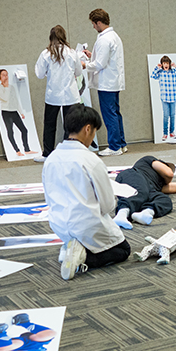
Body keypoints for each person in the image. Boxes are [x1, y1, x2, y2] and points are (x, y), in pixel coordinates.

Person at [42, 105, 130, 280]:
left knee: (82, 235)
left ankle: (69, 248)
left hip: (59, 224)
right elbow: (107, 205)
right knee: (123, 250)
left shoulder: (50, 159)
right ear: (88, 129)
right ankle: (84, 256)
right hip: (86, 224)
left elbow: (49, 198)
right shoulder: (90, 160)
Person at [112, 156, 176, 230]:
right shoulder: (147, 161)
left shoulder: (160, 183)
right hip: (133, 176)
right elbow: (169, 174)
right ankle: (122, 214)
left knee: (165, 200)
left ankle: (147, 212)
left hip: (149, 188)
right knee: (140, 192)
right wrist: (167, 177)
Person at [35, 25, 83, 162]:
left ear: (51, 37)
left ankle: (47, 154)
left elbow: (39, 74)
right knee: (70, 126)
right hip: (71, 95)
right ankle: (68, 154)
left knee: (50, 124)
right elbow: (78, 72)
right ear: (64, 36)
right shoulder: (72, 53)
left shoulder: (46, 54)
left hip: (53, 95)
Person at [83, 9, 126, 157]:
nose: (93, 27)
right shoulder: (114, 36)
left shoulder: (104, 39)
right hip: (114, 81)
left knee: (109, 114)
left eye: (94, 24)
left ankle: (114, 147)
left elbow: (99, 64)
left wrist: (84, 65)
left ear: (99, 23)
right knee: (115, 113)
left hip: (107, 83)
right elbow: (104, 58)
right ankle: (121, 143)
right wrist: (92, 55)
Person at [0, 69, 33, 157]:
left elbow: (15, 100)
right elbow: (5, 98)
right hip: (6, 112)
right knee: (10, 131)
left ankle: (27, 149)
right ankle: (17, 150)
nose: (6, 77)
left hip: (14, 111)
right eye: (3, 75)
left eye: (7, 75)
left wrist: (21, 112)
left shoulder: (11, 87)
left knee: (24, 130)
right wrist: (6, 86)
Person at [151, 56, 176, 141]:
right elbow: (153, 76)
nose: (166, 65)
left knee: (172, 115)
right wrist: (156, 68)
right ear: (162, 64)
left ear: (169, 64)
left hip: (173, 97)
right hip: (164, 97)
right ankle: (165, 133)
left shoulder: (173, 72)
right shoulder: (160, 72)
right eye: (164, 63)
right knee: (166, 115)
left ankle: (172, 132)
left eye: (167, 63)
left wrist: (175, 66)